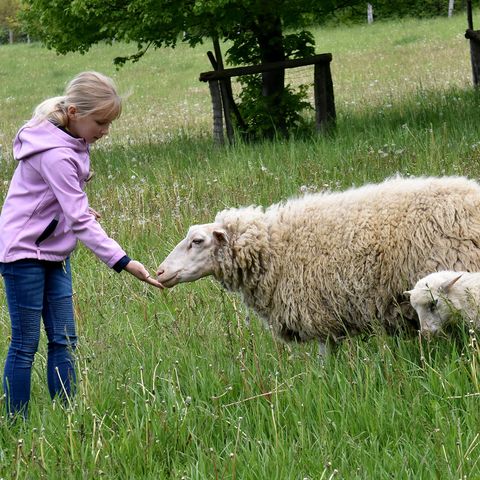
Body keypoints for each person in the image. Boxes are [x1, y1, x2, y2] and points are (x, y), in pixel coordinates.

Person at [0, 71, 163, 418]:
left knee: (65, 339)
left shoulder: (74, 141)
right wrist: (123, 261)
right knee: (25, 344)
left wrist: (76, 209)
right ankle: (16, 423)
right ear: (74, 112)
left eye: (109, 124)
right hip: (23, 255)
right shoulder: (55, 153)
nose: (105, 131)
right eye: (100, 122)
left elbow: (57, 201)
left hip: (55, 253)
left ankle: (67, 417)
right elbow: (77, 219)